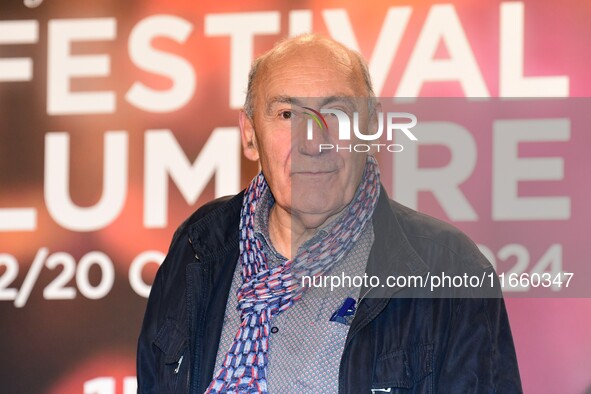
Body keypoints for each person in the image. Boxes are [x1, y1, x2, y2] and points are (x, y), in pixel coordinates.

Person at [137, 34, 522, 393]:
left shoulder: (448, 269)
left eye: (336, 113)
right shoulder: (199, 246)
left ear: (372, 126)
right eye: (287, 114)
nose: (312, 142)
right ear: (250, 134)